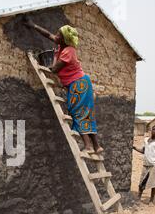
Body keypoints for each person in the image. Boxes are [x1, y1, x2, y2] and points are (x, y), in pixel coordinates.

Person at [25, 18, 103, 155]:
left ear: (65, 39)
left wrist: (54, 56)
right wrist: (34, 25)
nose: (56, 35)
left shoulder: (68, 51)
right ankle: (97, 147)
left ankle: (89, 147)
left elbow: (54, 69)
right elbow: (48, 35)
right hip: (81, 83)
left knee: (76, 112)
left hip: (79, 84)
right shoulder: (62, 46)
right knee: (86, 113)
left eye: (59, 34)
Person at [133, 125, 155, 204]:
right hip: (146, 164)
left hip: (154, 164)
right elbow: (143, 151)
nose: (153, 131)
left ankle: (151, 200)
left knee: (153, 183)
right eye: (153, 129)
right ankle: (139, 197)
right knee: (142, 181)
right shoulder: (146, 140)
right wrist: (134, 148)